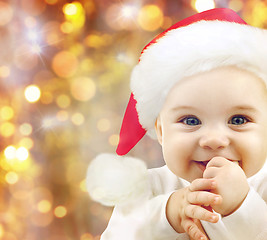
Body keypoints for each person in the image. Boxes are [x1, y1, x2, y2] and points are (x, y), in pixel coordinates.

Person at [86, 8, 267, 240]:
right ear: (161, 130)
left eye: (238, 120)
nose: (213, 139)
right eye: (191, 121)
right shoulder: (148, 188)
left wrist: (241, 206)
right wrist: (168, 214)